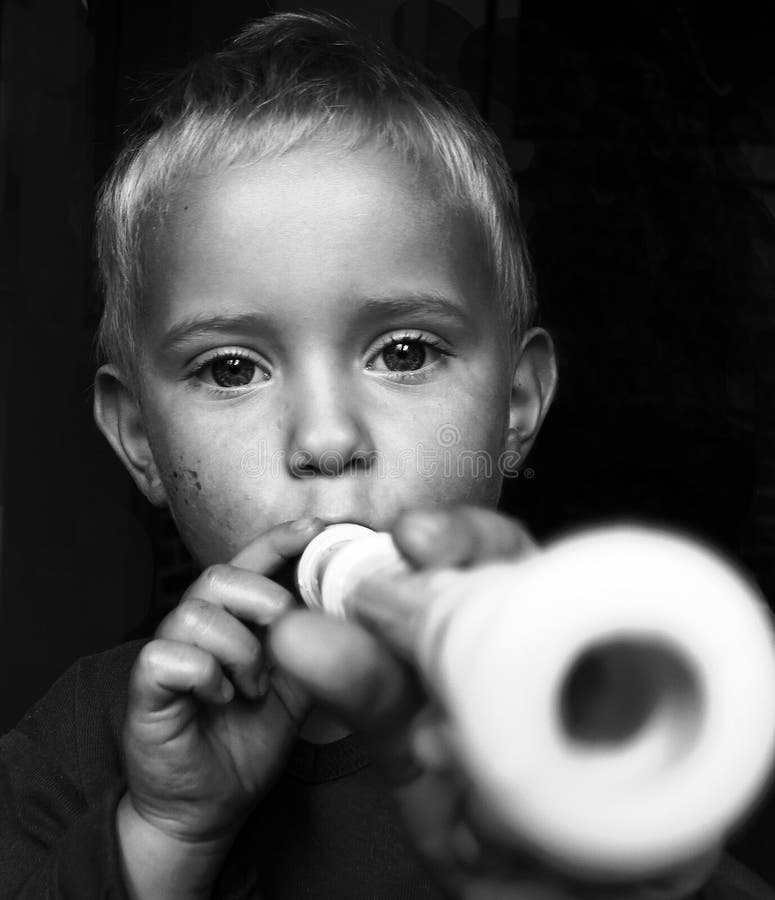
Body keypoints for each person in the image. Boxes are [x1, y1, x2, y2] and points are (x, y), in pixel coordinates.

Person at [0, 11, 772, 900]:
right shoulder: (80, 745)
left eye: (404, 352)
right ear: (140, 437)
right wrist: (165, 834)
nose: (327, 441)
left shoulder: (591, 724)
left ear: (513, 408)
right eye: (232, 368)